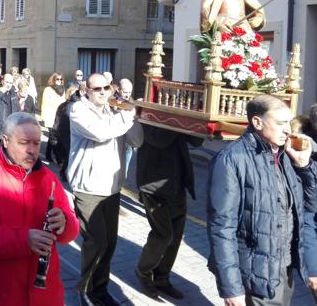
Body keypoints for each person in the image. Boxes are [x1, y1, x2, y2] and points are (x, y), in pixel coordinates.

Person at [0, 112, 80, 305]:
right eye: (24, 143)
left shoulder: (50, 179)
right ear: (5, 140)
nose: (32, 150)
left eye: (37, 143)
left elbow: (72, 230)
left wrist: (65, 223)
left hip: (44, 294)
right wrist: (23, 240)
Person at [208, 95, 317, 306]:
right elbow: (221, 227)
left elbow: (310, 205)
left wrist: (304, 167)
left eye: (288, 122)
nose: (288, 129)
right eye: (280, 123)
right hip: (253, 272)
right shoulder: (232, 160)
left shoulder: (287, 154)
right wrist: (231, 287)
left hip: (285, 268)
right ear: (257, 122)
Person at [67, 73, 143, 305]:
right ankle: (86, 291)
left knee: (109, 243)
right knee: (95, 241)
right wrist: (127, 115)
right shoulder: (78, 110)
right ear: (87, 91)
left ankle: (100, 289)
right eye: (96, 88)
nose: (102, 92)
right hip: (88, 188)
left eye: (106, 87)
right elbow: (100, 132)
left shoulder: (115, 111)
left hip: (112, 187)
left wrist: (133, 115)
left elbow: (137, 141)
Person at [134, 125, 203, 300]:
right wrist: (178, 120)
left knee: (175, 237)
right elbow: (159, 139)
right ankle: (143, 271)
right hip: (153, 186)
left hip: (177, 184)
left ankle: (162, 279)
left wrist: (195, 123)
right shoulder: (149, 115)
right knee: (163, 235)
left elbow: (196, 141)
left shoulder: (178, 116)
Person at [42, 72, 66, 163]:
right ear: (53, 79)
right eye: (57, 79)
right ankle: (58, 157)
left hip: (59, 116)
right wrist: (43, 117)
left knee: (54, 137)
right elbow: (44, 104)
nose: (59, 81)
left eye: (61, 79)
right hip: (50, 116)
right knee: (53, 137)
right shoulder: (48, 89)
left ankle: (48, 154)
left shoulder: (63, 90)